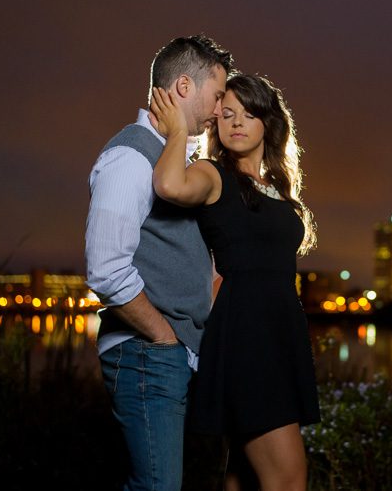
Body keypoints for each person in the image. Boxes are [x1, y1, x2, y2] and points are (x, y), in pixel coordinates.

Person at [149, 73, 320, 491]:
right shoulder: (212, 175)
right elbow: (169, 184)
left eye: (248, 113)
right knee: (288, 477)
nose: (237, 121)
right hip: (247, 336)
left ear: (268, 122)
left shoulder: (276, 188)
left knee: (242, 475)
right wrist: (177, 132)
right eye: (226, 114)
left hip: (279, 335)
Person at [85, 35, 234, 491]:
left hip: (168, 355)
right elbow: (106, 268)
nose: (220, 110)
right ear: (184, 87)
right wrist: (163, 337)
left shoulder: (176, 160)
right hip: (147, 353)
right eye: (217, 95)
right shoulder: (130, 156)